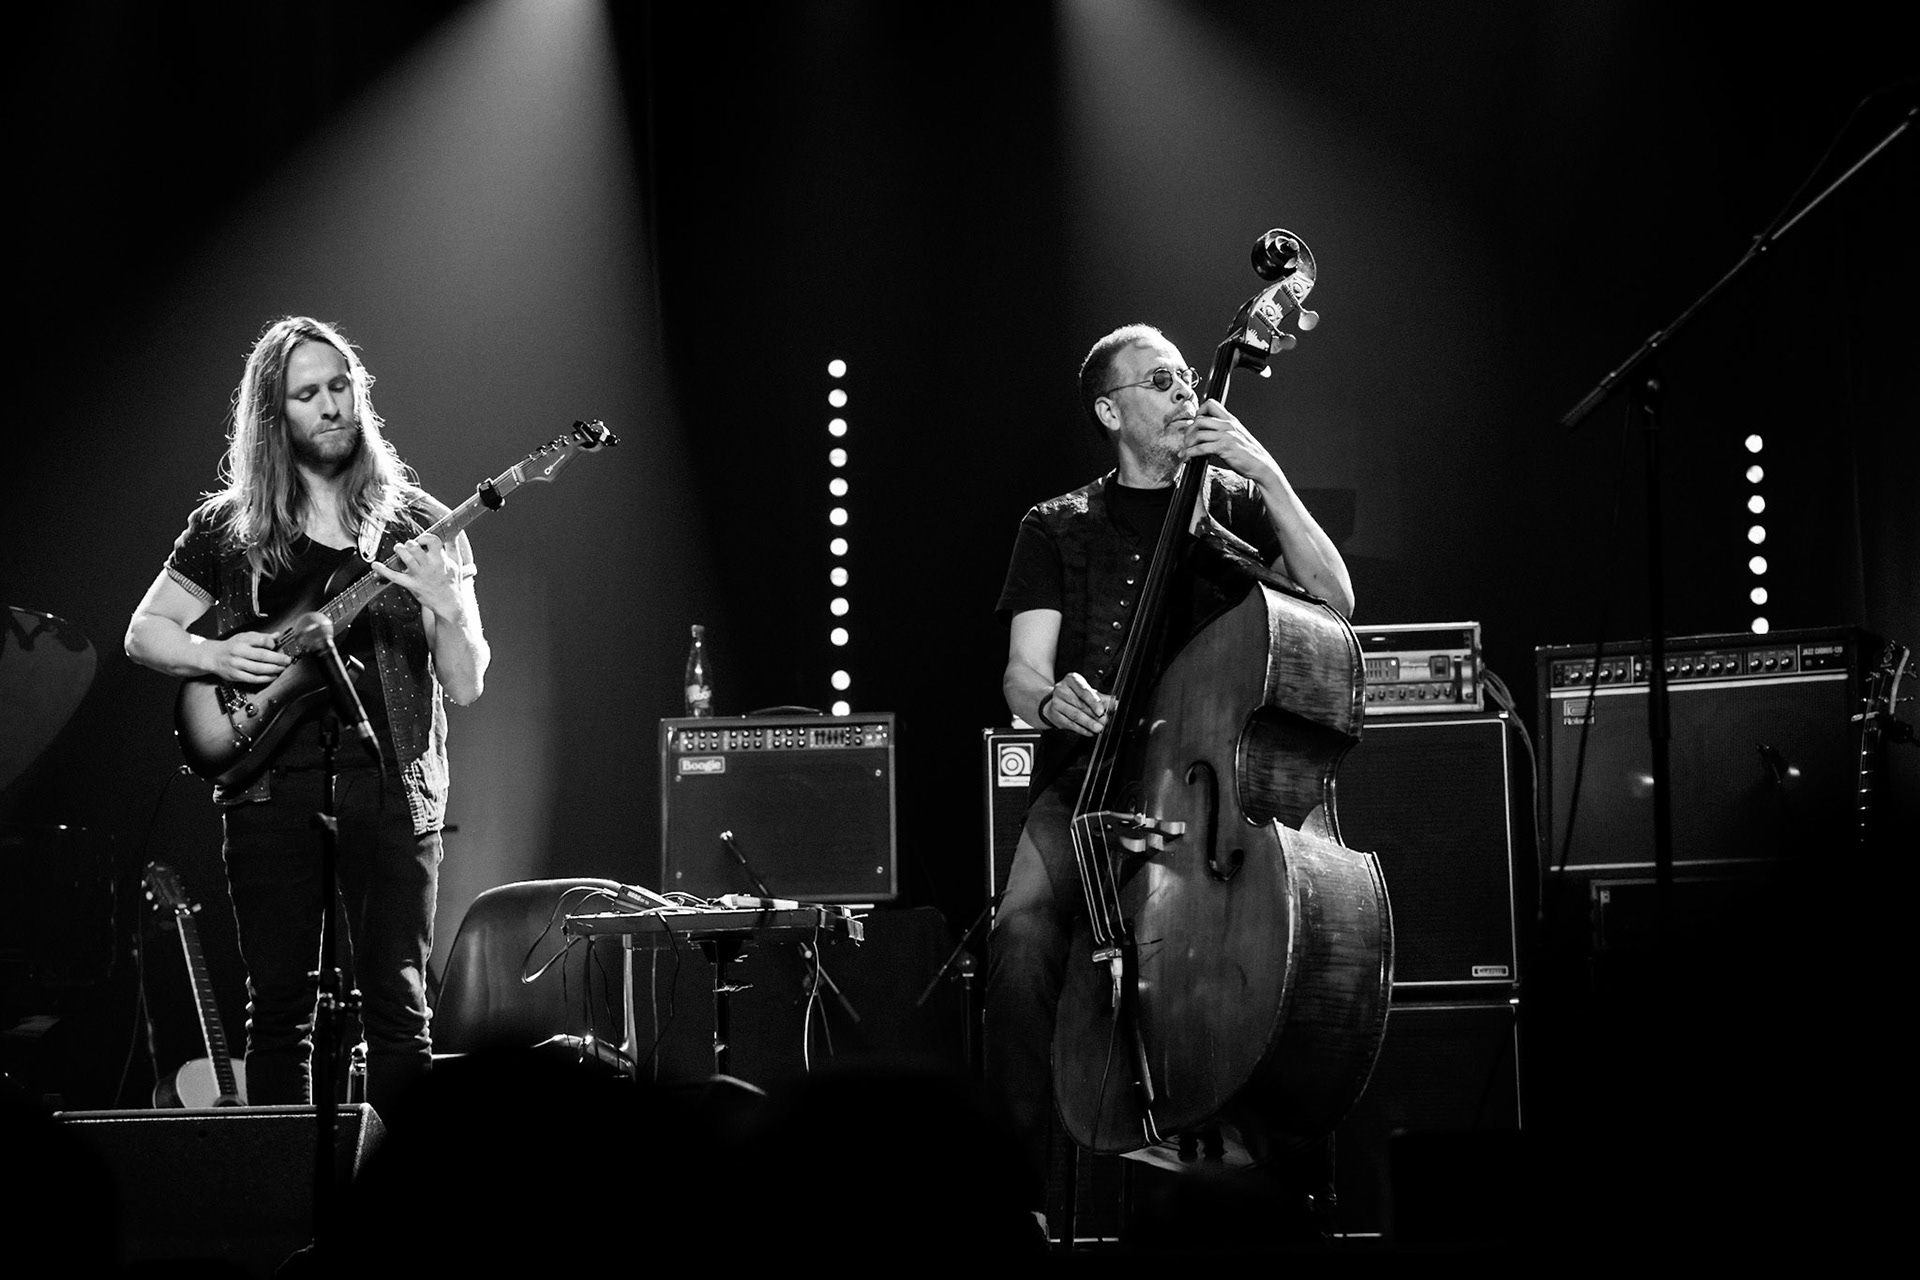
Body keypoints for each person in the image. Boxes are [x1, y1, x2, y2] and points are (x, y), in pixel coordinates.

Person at [987, 322, 1354, 1203]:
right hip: (1090, 781)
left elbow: (1337, 601)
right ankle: (1016, 1200)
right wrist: (1048, 700)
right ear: (1113, 410)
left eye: (1188, 375)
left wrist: (1262, 469)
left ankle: (1251, 1171)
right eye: (1161, 380)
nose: (1187, 389)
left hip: (1211, 786)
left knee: (1254, 955)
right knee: (1020, 940)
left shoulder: (1233, 500)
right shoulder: (1056, 526)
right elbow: (1020, 672)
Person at [125, 316, 488, 1117]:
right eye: (307, 393)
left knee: (401, 1012)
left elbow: (464, 685)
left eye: (340, 387)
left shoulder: (418, 521)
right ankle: (287, 1205)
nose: (331, 406)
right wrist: (219, 657)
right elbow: (142, 633)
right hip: (266, 785)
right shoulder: (230, 527)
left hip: (393, 785)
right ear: (273, 414)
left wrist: (448, 600)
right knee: (277, 1012)